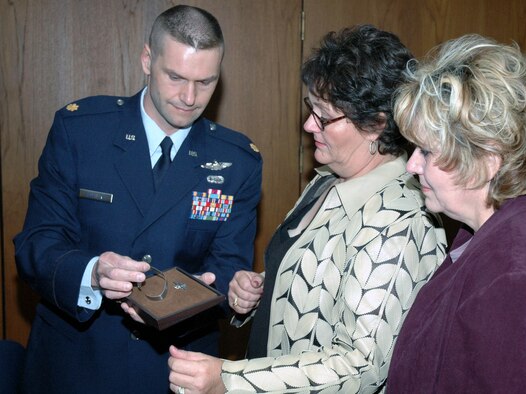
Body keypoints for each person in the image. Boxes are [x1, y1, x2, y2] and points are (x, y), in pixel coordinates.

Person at [167, 25, 447, 394]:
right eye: (310, 108)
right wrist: (256, 293)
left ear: (376, 124)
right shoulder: (327, 180)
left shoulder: (400, 221)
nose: (308, 124)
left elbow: (361, 366)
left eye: (324, 116)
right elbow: (316, 287)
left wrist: (229, 380)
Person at [13, 5, 262, 393]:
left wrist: (235, 291)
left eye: (205, 82)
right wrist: (92, 272)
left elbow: (227, 266)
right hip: (76, 365)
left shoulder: (237, 160)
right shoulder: (81, 132)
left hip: (172, 370)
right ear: (148, 60)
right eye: (176, 77)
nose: (189, 97)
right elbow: (36, 245)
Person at [386, 34, 526, 392]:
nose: (412, 165)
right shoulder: (507, 225)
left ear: (487, 158)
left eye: (426, 151)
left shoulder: (515, 279)